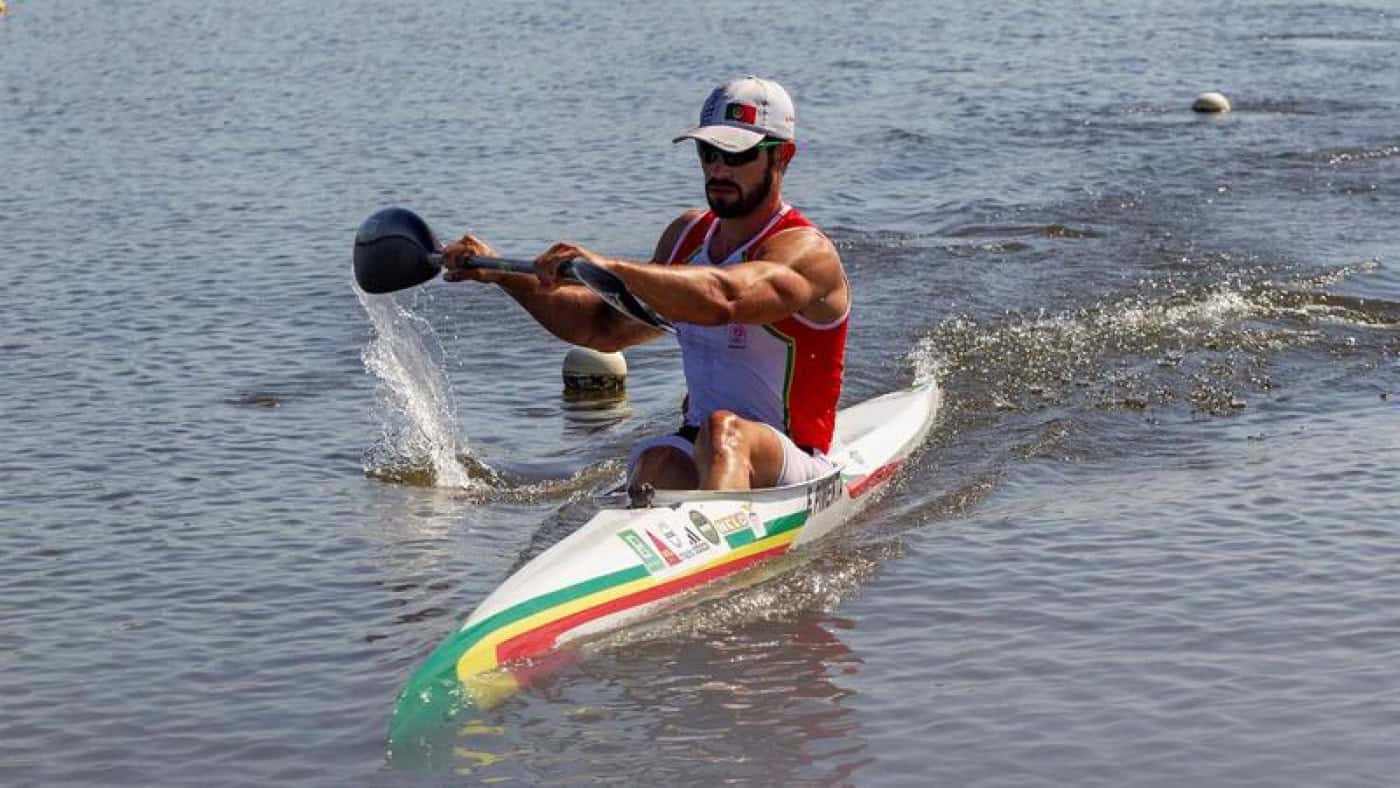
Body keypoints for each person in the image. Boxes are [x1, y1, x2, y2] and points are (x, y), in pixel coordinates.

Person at [441, 76, 849, 495]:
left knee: (725, 432)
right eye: (709, 152)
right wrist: (503, 275)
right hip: (702, 445)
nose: (719, 168)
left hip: (798, 465)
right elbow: (600, 328)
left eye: (738, 154)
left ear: (783, 157)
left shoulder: (807, 252)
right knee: (657, 461)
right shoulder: (686, 237)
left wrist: (610, 266)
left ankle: (718, 545)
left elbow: (728, 298)